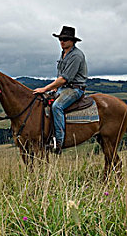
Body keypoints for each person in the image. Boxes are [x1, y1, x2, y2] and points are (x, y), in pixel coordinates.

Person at [33, 26, 88, 154]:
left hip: (75, 89)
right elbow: (60, 77)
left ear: (72, 41)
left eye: (65, 39)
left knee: (57, 106)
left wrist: (45, 88)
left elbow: (64, 78)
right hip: (63, 88)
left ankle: (59, 141)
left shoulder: (76, 56)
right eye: (60, 39)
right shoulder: (63, 54)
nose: (62, 41)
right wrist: (53, 89)